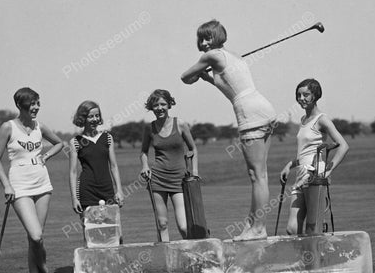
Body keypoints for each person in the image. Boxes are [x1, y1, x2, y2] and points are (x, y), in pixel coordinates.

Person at [181, 19, 276, 241]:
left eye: (208, 38)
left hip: (249, 113)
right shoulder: (233, 56)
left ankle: (259, 228)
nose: (204, 43)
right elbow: (229, 85)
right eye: (201, 39)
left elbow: (185, 77)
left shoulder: (210, 57)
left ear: (217, 38)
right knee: (260, 174)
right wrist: (207, 77)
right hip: (264, 108)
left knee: (257, 176)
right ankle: (253, 226)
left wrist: (199, 71)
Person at [0, 87, 64, 273]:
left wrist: (46, 156)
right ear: (19, 105)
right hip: (19, 186)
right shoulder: (8, 127)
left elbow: (59, 143)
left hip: (43, 183)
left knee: (36, 239)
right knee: (35, 234)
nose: (36, 108)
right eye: (31, 104)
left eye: (37, 103)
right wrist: (6, 184)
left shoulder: (40, 126)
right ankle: (45, 272)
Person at [280, 78, 349, 235]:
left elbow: (343, 146)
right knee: (292, 229)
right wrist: (290, 165)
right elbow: (306, 152)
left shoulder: (322, 120)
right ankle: (305, 259)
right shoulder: (303, 120)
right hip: (299, 179)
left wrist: (328, 170)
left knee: (313, 229)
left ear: (316, 96)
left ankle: (315, 259)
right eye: (299, 95)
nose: (301, 98)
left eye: (306, 94)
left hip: (314, 180)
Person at [140, 89, 198, 242]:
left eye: (163, 104)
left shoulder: (180, 124)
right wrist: (145, 166)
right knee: (162, 224)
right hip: (158, 179)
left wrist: (195, 172)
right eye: (155, 105)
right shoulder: (149, 128)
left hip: (180, 180)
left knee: (184, 226)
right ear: (151, 107)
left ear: (169, 104)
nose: (159, 108)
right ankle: (167, 262)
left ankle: (193, 257)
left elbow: (193, 149)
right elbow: (143, 152)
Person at [68, 100, 124, 215]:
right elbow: (73, 172)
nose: (95, 119)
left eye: (97, 116)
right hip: (86, 191)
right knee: (90, 230)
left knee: (111, 228)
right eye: (90, 116)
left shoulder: (107, 138)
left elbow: (113, 166)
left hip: (107, 189)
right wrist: (74, 198)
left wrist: (119, 190)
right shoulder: (75, 142)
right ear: (83, 118)